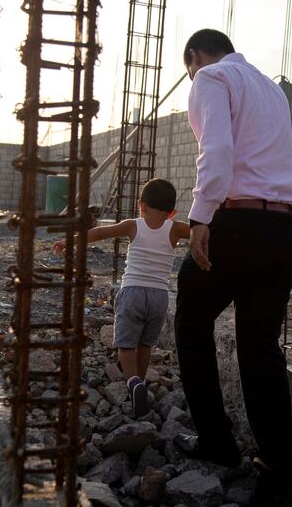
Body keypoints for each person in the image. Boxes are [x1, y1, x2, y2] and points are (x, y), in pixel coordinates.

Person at [172, 29, 292, 506]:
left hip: (236, 222)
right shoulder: (270, 88)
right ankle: (277, 464)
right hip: (284, 227)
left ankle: (217, 442)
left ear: (194, 56)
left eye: (189, 67)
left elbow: (219, 152)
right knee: (259, 343)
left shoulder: (210, 76)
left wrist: (200, 217)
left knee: (190, 318)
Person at [54, 178, 189, 418]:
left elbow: (99, 232)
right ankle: (141, 381)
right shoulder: (176, 228)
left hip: (132, 292)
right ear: (173, 212)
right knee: (146, 344)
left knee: (126, 345)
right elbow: (201, 234)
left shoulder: (132, 225)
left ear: (141, 205)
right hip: (159, 296)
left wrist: (69, 242)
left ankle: (133, 382)